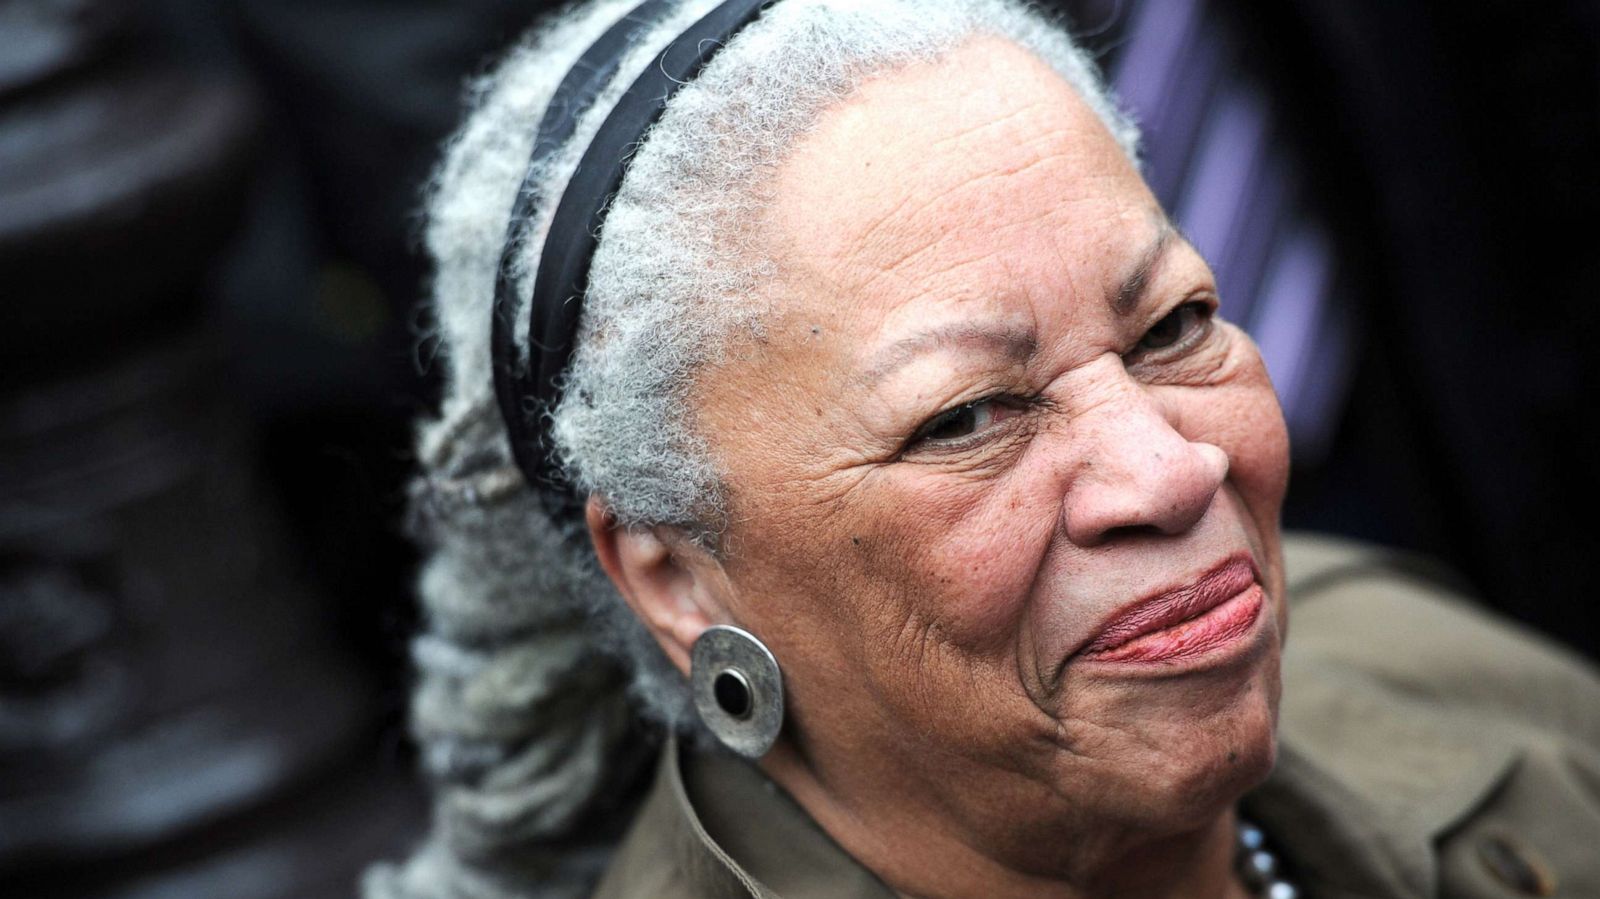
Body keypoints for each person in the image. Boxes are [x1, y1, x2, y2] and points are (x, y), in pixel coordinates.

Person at [365, 0, 1600, 897]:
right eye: (965, 416)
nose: (1170, 471)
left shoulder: (1431, 659)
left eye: (1172, 326)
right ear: (677, 575)